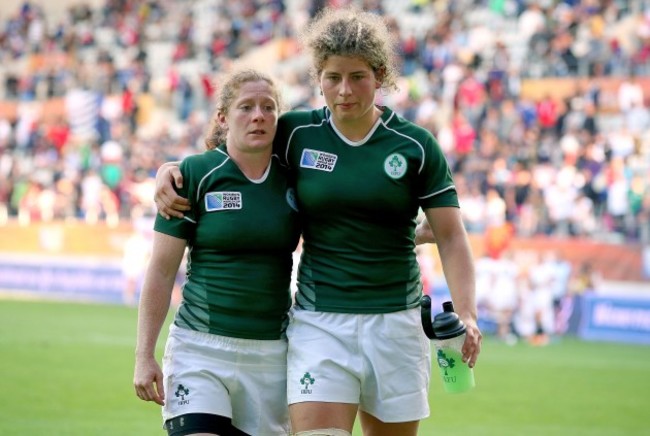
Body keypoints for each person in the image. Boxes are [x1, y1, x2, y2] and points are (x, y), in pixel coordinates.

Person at [155, 7, 482, 436]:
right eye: (332, 77)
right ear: (318, 77)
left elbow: (452, 237)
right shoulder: (296, 132)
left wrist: (468, 313)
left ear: (379, 75)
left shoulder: (416, 146)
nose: (344, 90)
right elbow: (234, 149)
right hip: (319, 323)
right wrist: (172, 169)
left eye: (357, 77)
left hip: (396, 323)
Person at [133, 69, 301, 436]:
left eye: (268, 107)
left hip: (271, 355)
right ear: (223, 117)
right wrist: (144, 355)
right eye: (246, 107)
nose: (258, 115)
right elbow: (161, 272)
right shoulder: (195, 173)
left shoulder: (296, 179)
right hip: (200, 349)